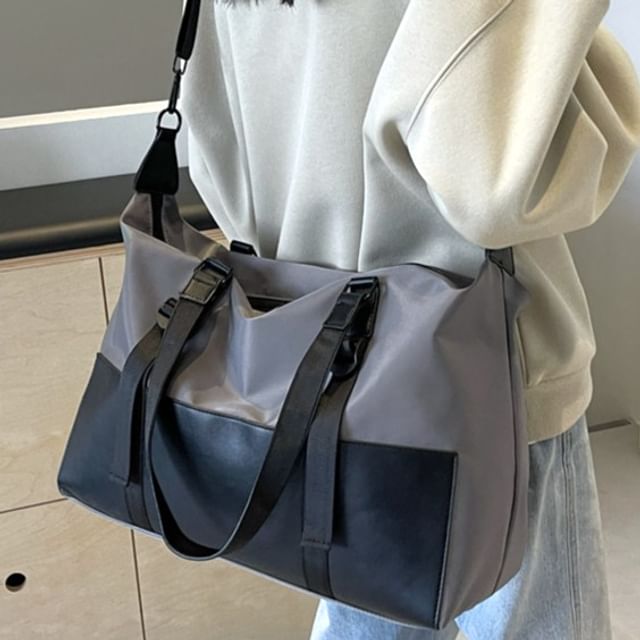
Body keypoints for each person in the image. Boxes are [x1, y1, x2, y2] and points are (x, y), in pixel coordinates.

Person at [180, 1, 640, 638]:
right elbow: (503, 188)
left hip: (320, 358)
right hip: (483, 369)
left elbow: (213, 155)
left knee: (363, 611)